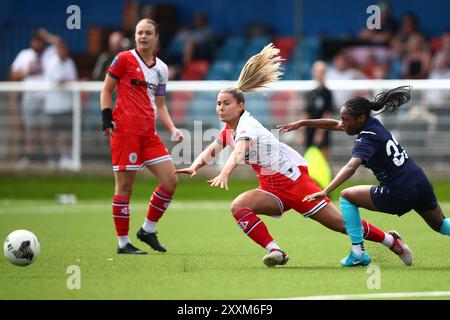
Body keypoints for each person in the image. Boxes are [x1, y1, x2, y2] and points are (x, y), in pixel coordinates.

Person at [175, 44, 412, 268]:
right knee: (239, 207)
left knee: (340, 224)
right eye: (218, 104)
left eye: (226, 103)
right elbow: (214, 147)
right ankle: (276, 251)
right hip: (271, 186)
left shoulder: (247, 126)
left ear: (240, 107)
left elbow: (238, 151)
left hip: (294, 182)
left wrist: (225, 172)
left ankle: (390, 241)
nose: (220, 108)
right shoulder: (231, 128)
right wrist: (195, 165)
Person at [278, 86, 450, 266]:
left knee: (346, 197)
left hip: (399, 191)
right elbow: (336, 125)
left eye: (346, 119)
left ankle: (358, 254)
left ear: (360, 118)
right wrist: (303, 123)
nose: (342, 123)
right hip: (418, 180)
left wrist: (326, 190)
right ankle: (368, 250)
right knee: (441, 225)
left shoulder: (366, 138)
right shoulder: (372, 122)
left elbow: (352, 166)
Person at [100, 19, 184, 254]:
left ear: (156, 37)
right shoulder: (123, 59)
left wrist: (173, 128)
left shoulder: (162, 69)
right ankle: (123, 243)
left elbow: (161, 104)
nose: (143, 36)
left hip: (149, 135)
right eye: (139, 33)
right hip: (125, 133)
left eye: (148, 33)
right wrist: (106, 118)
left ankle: (147, 230)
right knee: (125, 187)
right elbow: (106, 89)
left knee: (171, 180)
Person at [10, 28, 61, 167]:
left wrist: (47, 35)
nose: (38, 44)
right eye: (36, 41)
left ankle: (50, 158)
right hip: (30, 97)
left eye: (40, 41)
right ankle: (28, 158)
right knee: (30, 129)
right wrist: (26, 72)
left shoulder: (49, 54)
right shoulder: (24, 55)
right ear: (31, 42)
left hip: (46, 97)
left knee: (46, 129)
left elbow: (59, 44)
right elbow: (13, 73)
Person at [44, 41, 78, 170]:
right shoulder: (52, 62)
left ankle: (64, 157)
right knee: (51, 133)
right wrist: (75, 82)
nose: (63, 52)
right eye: (61, 49)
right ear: (57, 50)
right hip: (53, 105)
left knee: (65, 133)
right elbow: (60, 80)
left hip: (66, 105)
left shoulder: (69, 62)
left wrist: (74, 82)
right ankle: (51, 158)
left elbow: (71, 80)